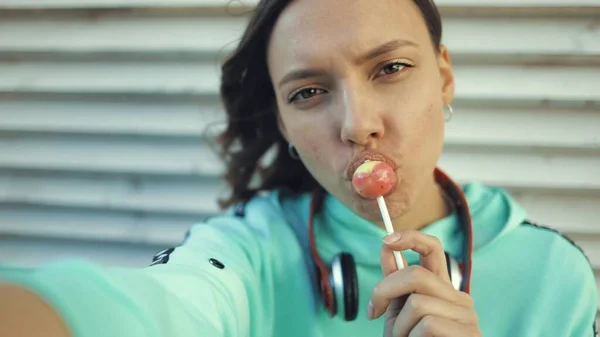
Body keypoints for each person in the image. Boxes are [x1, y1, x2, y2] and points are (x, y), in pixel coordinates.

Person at [0, 0, 597, 336]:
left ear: (443, 75)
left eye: (389, 69)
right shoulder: (248, 250)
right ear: (283, 124)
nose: (356, 124)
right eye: (309, 93)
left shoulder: (555, 276)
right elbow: (162, 303)